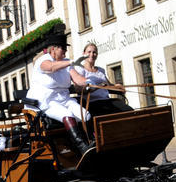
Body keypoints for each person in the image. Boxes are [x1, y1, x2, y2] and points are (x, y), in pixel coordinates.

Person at [26, 31, 94, 159]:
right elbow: (51, 67)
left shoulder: (67, 62)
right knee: (67, 115)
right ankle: (82, 148)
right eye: (63, 48)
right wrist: (71, 62)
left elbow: (78, 78)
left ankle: (93, 143)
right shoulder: (43, 60)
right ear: (53, 49)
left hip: (64, 99)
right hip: (46, 101)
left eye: (65, 48)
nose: (65, 51)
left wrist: (90, 82)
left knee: (86, 115)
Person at [69, 42, 133, 117]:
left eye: (94, 52)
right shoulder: (80, 70)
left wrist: (118, 87)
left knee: (129, 111)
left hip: (106, 100)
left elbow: (109, 85)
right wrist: (96, 87)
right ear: (84, 54)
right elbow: (79, 89)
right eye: (89, 52)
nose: (92, 54)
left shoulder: (101, 70)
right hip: (92, 102)